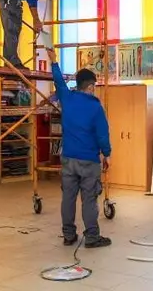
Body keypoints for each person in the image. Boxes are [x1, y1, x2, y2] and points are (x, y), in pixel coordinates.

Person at [47, 47, 112, 248]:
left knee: (68, 198)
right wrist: (107, 154)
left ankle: (68, 235)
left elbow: (58, 82)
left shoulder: (67, 98)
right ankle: (92, 237)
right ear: (91, 86)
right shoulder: (95, 107)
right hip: (89, 161)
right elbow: (102, 134)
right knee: (89, 199)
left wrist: (54, 61)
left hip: (68, 158)